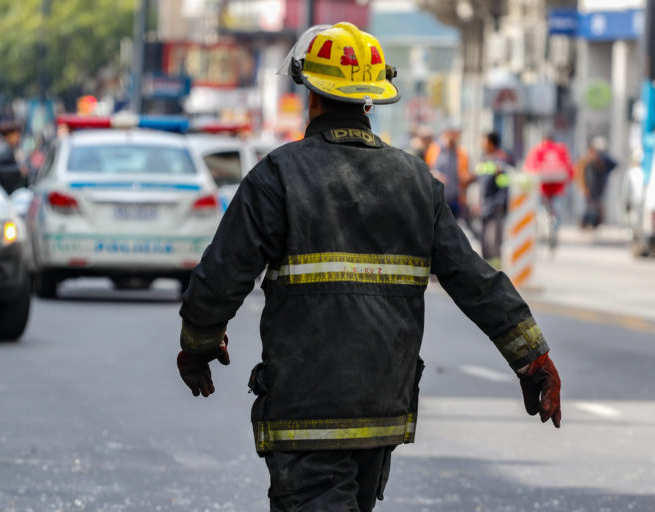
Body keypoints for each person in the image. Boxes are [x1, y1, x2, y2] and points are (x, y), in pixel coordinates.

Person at [176, 22, 561, 512]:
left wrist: (198, 345)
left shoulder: (278, 175)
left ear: (311, 92)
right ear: (370, 100)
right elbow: (473, 279)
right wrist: (533, 358)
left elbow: (222, 275)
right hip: (381, 412)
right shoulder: (416, 180)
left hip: (306, 413)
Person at [476, 131, 511, 269]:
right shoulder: (484, 160)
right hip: (484, 206)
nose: (481, 143)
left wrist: (501, 203)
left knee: (493, 242)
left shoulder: (499, 161)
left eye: (483, 140)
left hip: (495, 206)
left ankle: (496, 270)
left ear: (490, 143)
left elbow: (503, 184)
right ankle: (487, 268)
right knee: (484, 241)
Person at [425, 122, 474, 219]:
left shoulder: (461, 153)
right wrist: (434, 175)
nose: (456, 137)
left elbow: (465, 174)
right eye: (454, 133)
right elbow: (425, 170)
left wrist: (468, 178)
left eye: (458, 134)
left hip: (455, 200)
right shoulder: (434, 149)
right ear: (447, 132)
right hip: (436, 200)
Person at [579, 136, 617, 229]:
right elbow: (581, 175)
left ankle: (594, 223)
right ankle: (587, 223)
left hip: (599, 187)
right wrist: (584, 188)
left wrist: (601, 158)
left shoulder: (601, 160)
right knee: (590, 206)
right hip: (589, 188)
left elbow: (614, 164)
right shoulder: (585, 160)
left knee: (596, 206)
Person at [0, 119, 28, 195]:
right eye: (16, 135)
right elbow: (3, 170)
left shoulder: (10, 148)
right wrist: (19, 170)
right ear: (9, 136)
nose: (18, 137)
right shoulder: (4, 150)